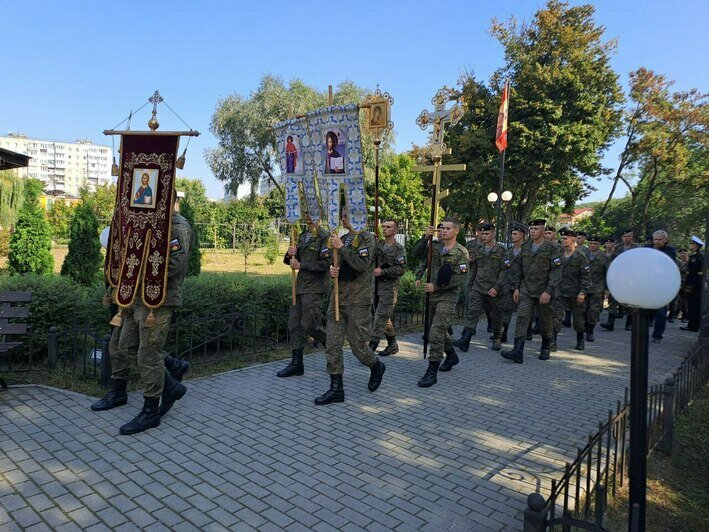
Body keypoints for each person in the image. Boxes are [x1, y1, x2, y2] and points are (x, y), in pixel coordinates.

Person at [92, 192, 193, 435]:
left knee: (148, 352)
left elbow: (175, 265)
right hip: (138, 296)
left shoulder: (177, 226)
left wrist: (139, 269)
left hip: (160, 299)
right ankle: (170, 384)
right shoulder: (146, 222)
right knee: (125, 346)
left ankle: (150, 411)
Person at [314, 207, 385, 405]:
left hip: (358, 302)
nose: (343, 220)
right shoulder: (343, 239)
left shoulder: (367, 239)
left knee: (359, 348)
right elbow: (337, 263)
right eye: (342, 216)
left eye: (346, 216)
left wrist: (341, 248)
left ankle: (376, 366)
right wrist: (332, 270)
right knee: (332, 345)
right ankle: (336, 388)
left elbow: (361, 265)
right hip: (337, 299)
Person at [414, 218, 469, 387]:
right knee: (436, 329)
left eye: (447, 228)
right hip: (431, 295)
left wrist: (436, 287)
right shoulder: (434, 245)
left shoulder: (461, 253)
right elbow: (418, 255)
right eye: (442, 228)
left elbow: (461, 279)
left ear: (456, 231)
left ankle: (432, 371)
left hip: (448, 296)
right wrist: (425, 238)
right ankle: (452, 355)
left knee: (436, 332)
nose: (443, 231)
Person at [501, 219, 562, 363]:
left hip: (544, 291)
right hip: (527, 290)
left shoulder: (552, 248)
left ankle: (546, 346)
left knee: (545, 320)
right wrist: (517, 288)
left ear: (542, 230)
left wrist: (548, 291)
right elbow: (519, 270)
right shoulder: (526, 247)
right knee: (522, 318)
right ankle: (518, 350)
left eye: (536, 229)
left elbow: (556, 272)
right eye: (531, 229)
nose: (532, 231)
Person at [278, 214, 330, 378]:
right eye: (306, 214)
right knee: (294, 324)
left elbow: (325, 264)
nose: (309, 217)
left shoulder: (325, 237)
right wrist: (290, 253)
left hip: (314, 287)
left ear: (319, 216)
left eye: (313, 214)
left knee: (308, 324)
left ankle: (329, 342)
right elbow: (290, 261)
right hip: (299, 287)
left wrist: (302, 265)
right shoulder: (301, 236)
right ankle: (296, 363)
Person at [453, 222, 508, 352]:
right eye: (482, 234)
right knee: (472, 312)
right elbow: (474, 269)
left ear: (493, 233)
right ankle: (465, 339)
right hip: (478, 287)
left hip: (495, 289)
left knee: (496, 316)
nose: (484, 236)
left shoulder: (501, 250)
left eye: (487, 233)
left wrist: (496, 287)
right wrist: (471, 285)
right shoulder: (479, 249)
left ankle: (497, 338)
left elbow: (504, 271)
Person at [369, 220, 406, 357]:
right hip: (376, 286)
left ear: (395, 231)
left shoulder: (399, 249)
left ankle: (370, 348)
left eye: (388, 227)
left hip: (389, 288)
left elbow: (401, 269)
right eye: (383, 226)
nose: (384, 229)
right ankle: (392, 345)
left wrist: (383, 272)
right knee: (384, 317)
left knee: (380, 318)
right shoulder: (378, 245)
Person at [552, 229, 591, 351]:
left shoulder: (580, 257)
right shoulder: (558, 255)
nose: (562, 240)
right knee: (556, 316)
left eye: (565, 239)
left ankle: (580, 339)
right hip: (560, 290)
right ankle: (553, 342)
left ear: (572, 240)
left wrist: (583, 292)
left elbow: (586, 275)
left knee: (578, 318)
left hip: (575, 292)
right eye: (561, 238)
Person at [601, 229, 637, 331]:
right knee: (612, 300)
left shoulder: (637, 248)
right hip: (618, 278)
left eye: (629, 236)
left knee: (630, 301)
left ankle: (629, 323)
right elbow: (611, 263)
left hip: (631, 279)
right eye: (625, 237)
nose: (627, 238)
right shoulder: (617, 248)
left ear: (633, 237)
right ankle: (610, 322)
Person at [498, 222, 527, 345]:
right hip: (509, 285)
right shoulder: (508, 251)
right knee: (505, 310)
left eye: (515, 234)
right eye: (512, 234)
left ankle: (524, 335)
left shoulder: (528, 250)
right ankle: (503, 334)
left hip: (524, 286)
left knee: (524, 313)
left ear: (522, 235)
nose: (513, 236)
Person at [647, 230, 676, 343]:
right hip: (647, 283)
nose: (657, 242)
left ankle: (657, 335)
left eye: (660, 240)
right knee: (644, 309)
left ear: (665, 240)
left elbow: (668, 265)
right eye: (655, 239)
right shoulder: (647, 248)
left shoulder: (670, 251)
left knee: (661, 311)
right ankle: (642, 332)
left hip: (662, 285)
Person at [583, 236, 610, 342]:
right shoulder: (583, 256)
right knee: (583, 310)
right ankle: (585, 327)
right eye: (590, 243)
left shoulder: (604, 257)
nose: (592, 245)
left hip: (597, 288)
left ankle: (590, 331)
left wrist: (607, 290)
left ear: (599, 245)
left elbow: (607, 274)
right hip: (584, 288)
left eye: (595, 243)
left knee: (594, 311)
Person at [680, 236, 704, 332]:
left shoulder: (696, 257)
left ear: (696, 246)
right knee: (692, 305)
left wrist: (690, 285)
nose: (691, 245)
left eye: (692, 244)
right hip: (695, 284)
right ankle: (692, 324)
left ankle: (693, 326)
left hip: (694, 285)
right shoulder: (696, 255)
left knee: (693, 305)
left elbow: (695, 272)